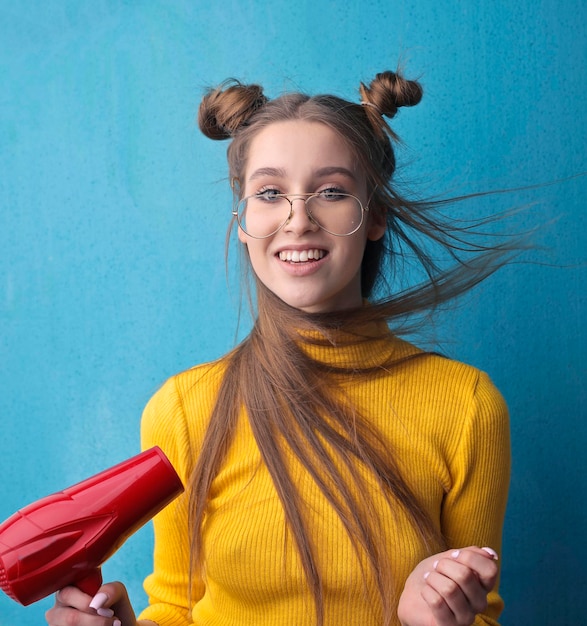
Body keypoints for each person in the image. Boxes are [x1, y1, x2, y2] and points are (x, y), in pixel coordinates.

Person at [45, 70, 511, 626]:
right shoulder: (183, 411)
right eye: (270, 193)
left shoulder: (466, 406)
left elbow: (483, 615)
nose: (298, 220)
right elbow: (176, 608)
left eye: (332, 192)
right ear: (243, 220)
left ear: (376, 216)